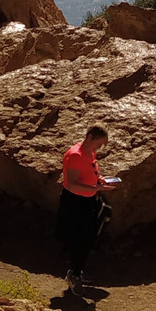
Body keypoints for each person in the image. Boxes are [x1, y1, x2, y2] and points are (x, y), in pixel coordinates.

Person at [56, 125, 117, 297]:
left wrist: (100, 180)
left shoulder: (89, 153)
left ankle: (77, 269)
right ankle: (74, 274)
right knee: (81, 238)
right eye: (99, 144)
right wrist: (97, 188)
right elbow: (72, 184)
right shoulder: (75, 155)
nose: (99, 149)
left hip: (89, 199)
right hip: (76, 202)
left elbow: (90, 172)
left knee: (95, 228)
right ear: (90, 137)